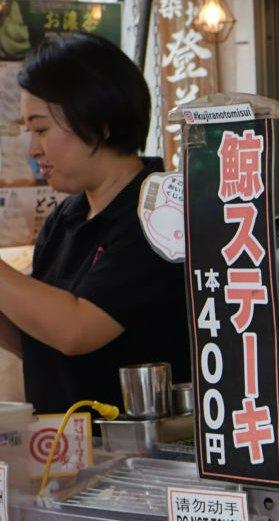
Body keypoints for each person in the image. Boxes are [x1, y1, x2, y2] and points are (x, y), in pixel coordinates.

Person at [0, 32, 190, 413]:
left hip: (141, 456)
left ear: (99, 123)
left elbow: (77, 330)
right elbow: (41, 338)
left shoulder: (161, 214)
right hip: (64, 451)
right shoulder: (64, 220)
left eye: (41, 129)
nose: (32, 149)